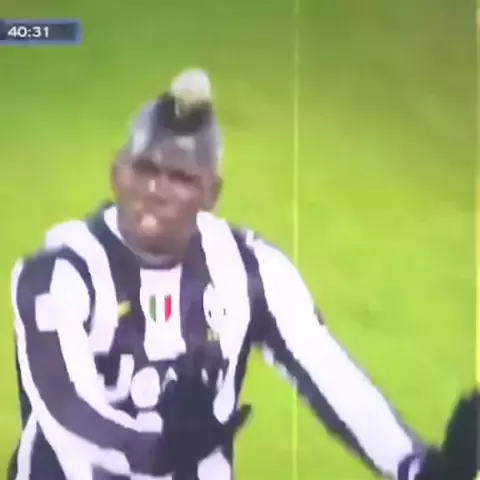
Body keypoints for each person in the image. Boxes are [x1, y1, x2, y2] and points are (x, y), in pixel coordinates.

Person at [8, 69, 475, 480]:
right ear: (117, 173)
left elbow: (331, 375)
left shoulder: (250, 271)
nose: (156, 190)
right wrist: (159, 449)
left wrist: (416, 467)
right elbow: (68, 410)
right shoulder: (59, 275)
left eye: (181, 178)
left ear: (212, 194)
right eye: (145, 168)